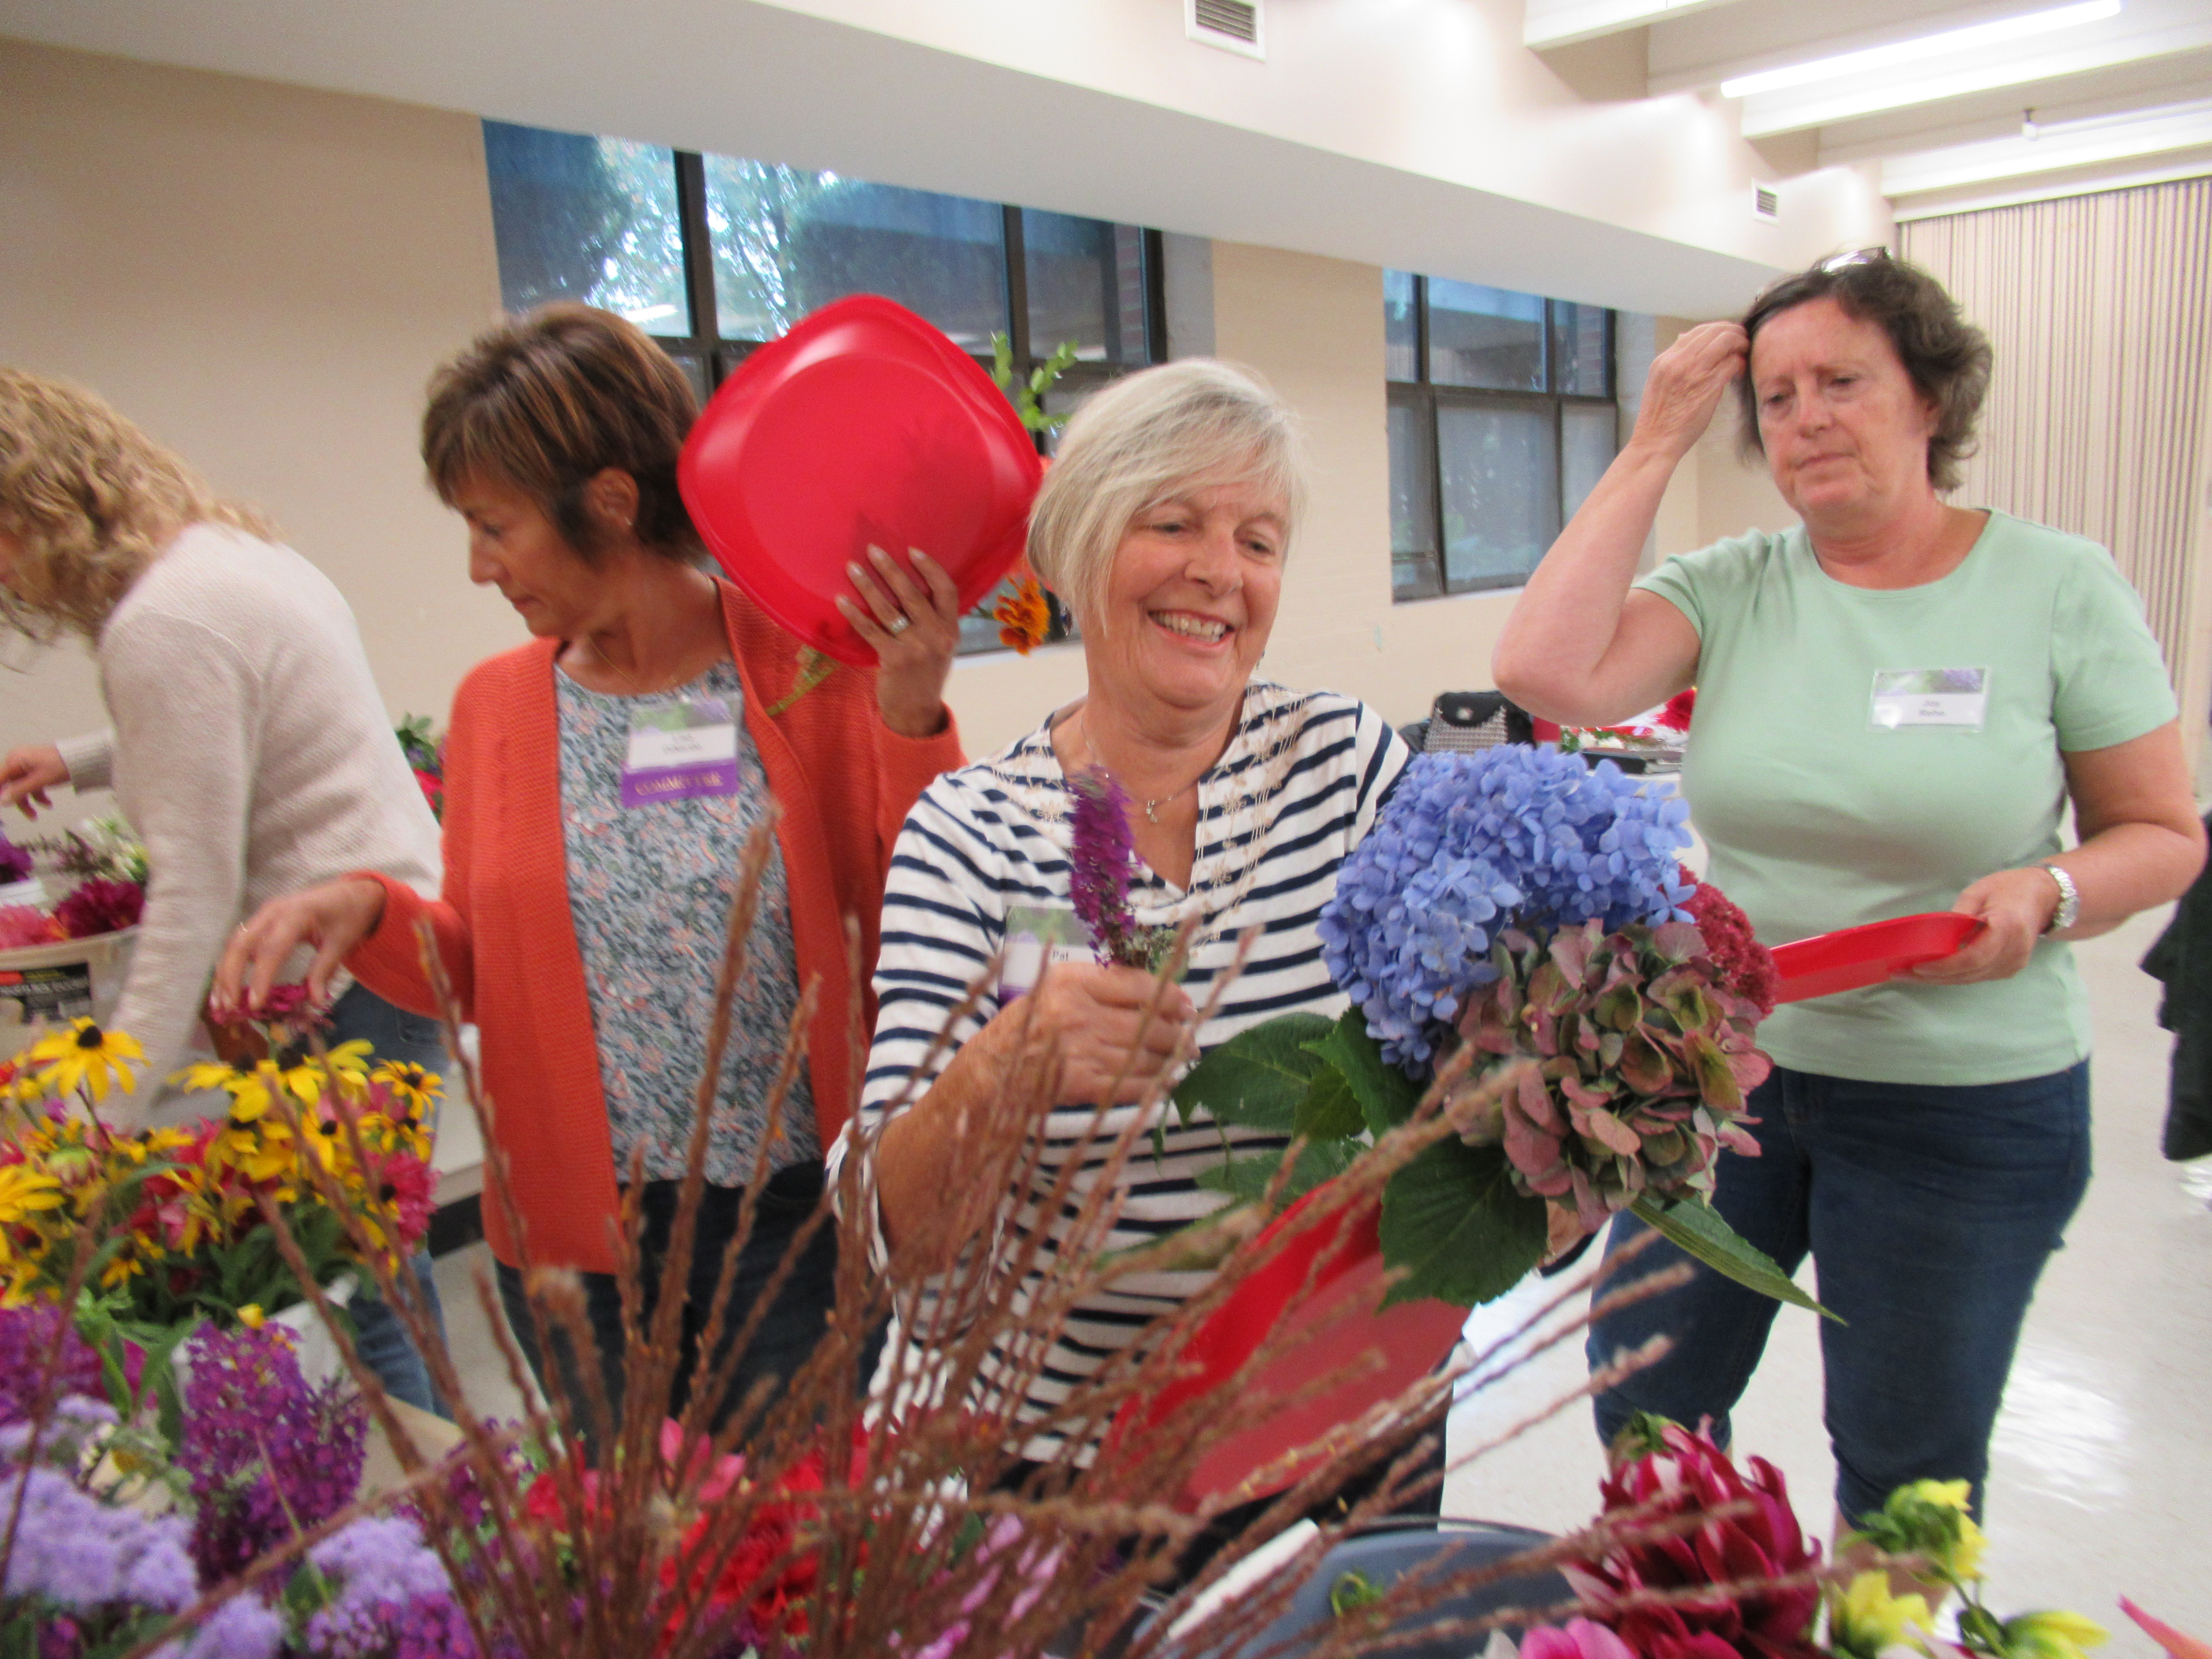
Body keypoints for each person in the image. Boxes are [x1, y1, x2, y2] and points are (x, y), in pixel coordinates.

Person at [1491, 251, 2206, 1525]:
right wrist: (1655, 441)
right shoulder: (1734, 584)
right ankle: (1690, 1611)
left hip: (1964, 1106)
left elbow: (2159, 833)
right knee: (1648, 1405)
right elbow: (1545, 671)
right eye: (1774, 397)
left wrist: (2048, 891)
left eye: (1842, 382)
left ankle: (1884, 1617)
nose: (1805, 417)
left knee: (1904, 1468)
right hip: (1725, 1081)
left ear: (1930, 397)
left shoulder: (2056, 586)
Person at [218, 304, 965, 1426]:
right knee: (627, 1530)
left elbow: (927, 912)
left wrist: (909, 716)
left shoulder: (808, 667)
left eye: (495, 527)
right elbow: (484, 971)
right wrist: (369, 909)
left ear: (611, 502)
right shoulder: (498, 709)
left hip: (794, 1226)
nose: (478, 567)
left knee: (803, 1519)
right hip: (583, 1241)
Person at [839, 359, 1414, 1481]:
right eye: (1173, 523)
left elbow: (1468, 1045)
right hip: (1079, 1458)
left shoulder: (1342, 766)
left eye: (1258, 540)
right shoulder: (970, 833)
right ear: (1078, 549)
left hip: (1340, 1414)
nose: (1220, 572)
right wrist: (1005, 1067)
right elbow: (889, 1241)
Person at [0, 368, 453, 1415]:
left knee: (362, 1288)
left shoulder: (162, 624)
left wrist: (98, 1118)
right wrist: (80, 758)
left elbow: (192, 897)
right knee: (383, 1266)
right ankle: (447, 1480)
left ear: (43, 506)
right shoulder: (232, 558)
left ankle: (441, 1494)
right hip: (396, 937)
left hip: (345, 974)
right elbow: (228, 718)